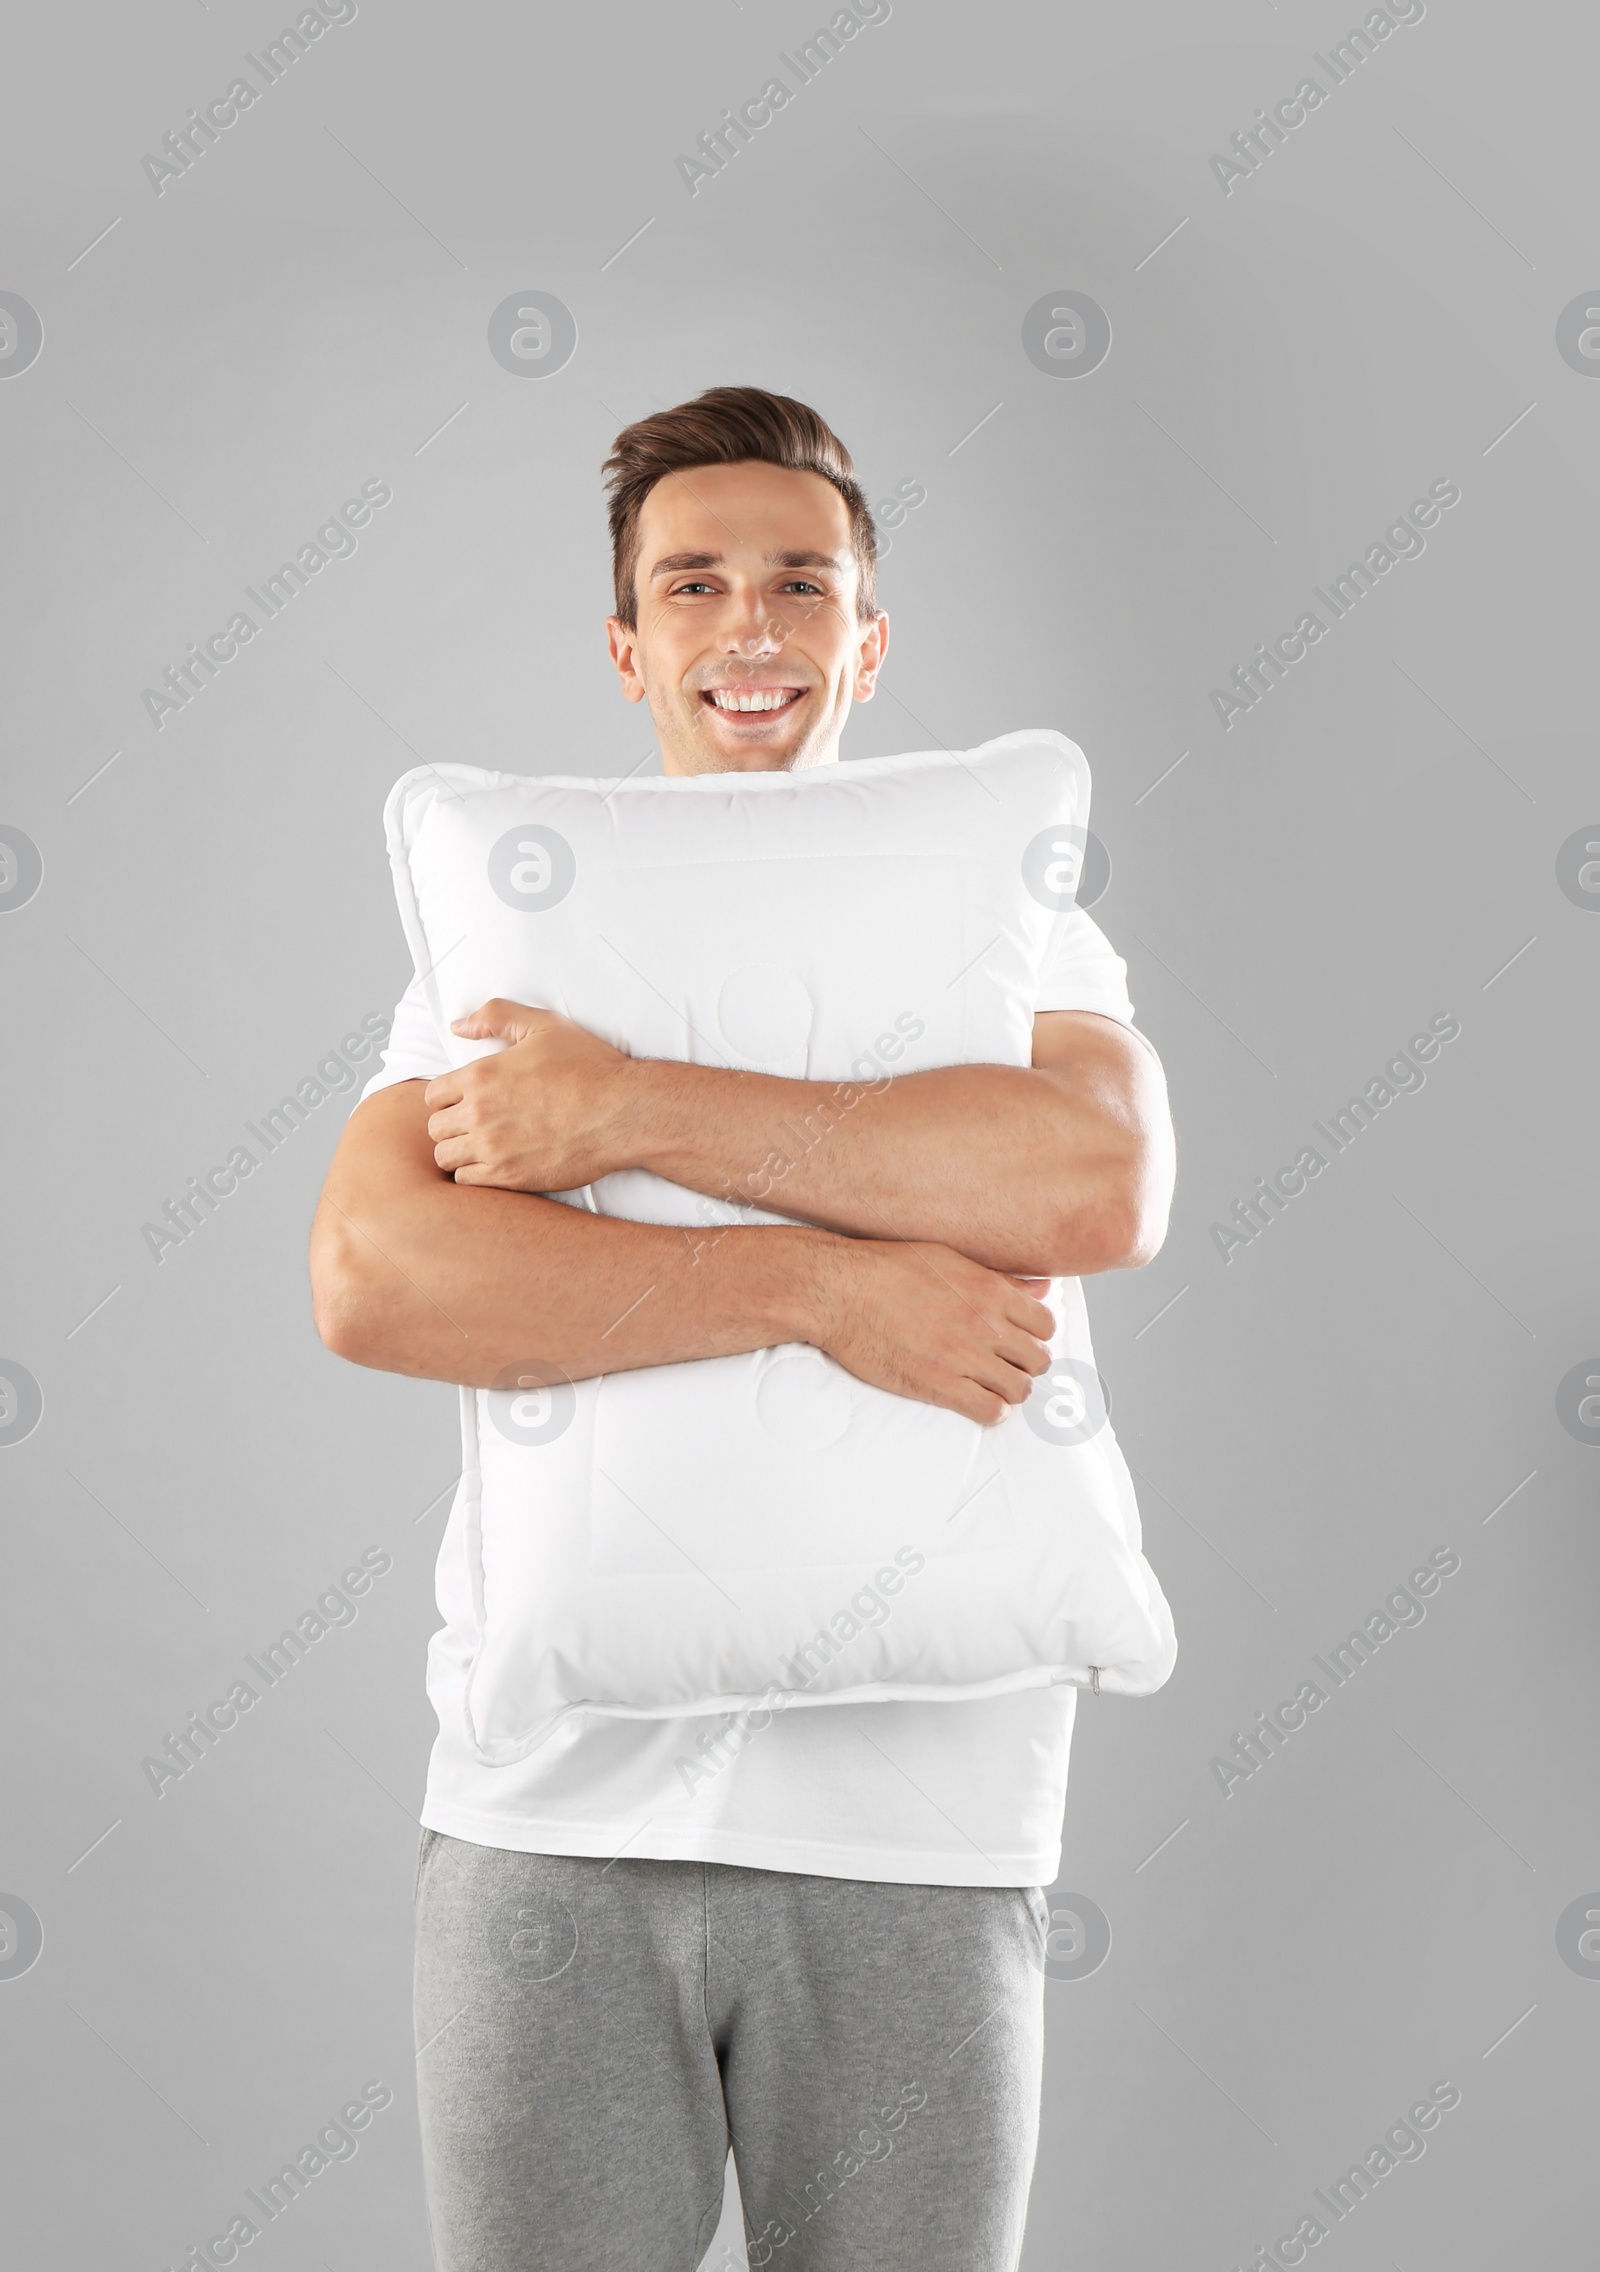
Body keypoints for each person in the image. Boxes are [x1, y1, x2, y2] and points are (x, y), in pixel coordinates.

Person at [310, 386, 1175, 2272]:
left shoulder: (1014, 925)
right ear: (629, 650)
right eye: (693, 583)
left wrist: (624, 1110)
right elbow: (381, 1278)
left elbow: (1093, 1181)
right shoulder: (506, 927)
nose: (752, 623)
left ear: (870, 638)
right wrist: (828, 1285)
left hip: (919, 1839)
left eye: (803, 579)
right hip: (553, 1841)